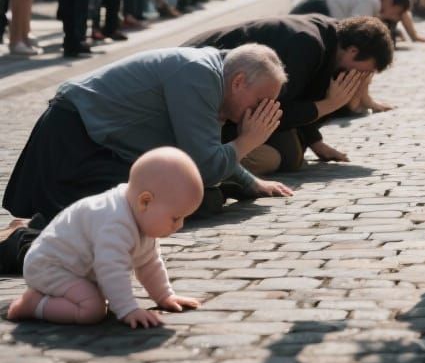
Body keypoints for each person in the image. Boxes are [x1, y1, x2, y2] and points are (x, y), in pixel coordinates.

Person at [0, 42, 293, 275]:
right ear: (239, 82)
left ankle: (39, 221)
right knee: (183, 203)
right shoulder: (200, 75)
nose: (260, 111)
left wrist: (249, 181)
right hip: (75, 141)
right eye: (259, 103)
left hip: (95, 143)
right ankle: (24, 238)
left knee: (196, 199)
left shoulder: (217, 75)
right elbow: (205, 168)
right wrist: (247, 141)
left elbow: (204, 150)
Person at [6, 148, 204, 328]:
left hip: (78, 269)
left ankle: (49, 300)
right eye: (176, 218)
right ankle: (34, 304)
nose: (180, 226)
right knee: (92, 309)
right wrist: (128, 308)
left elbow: (149, 263)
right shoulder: (114, 222)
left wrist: (165, 296)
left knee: (97, 297)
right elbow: (111, 268)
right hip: (50, 266)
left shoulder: (139, 217)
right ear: (145, 201)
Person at [186, 14, 394, 171]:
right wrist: (330, 104)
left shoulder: (329, 38)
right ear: (353, 51)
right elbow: (272, 110)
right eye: (363, 72)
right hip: (197, 92)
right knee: (279, 156)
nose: (360, 79)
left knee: (290, 153)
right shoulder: (307, 44)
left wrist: (315, 141)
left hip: (231, 96)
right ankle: (211, 165)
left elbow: (298, 93)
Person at [290, 0, 425, 43]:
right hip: (319, 9)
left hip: (318, 4)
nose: (393, 17)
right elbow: (354, 30)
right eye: (395, 12)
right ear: (390, 0)